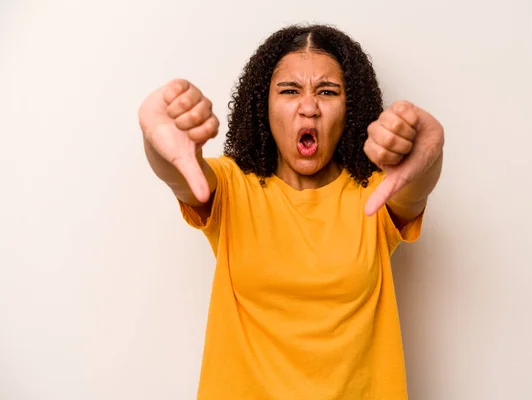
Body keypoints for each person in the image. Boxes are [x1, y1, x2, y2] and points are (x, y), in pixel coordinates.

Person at [139, 24, 444, 400]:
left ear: (351, 107)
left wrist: (431, 148)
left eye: (328, 92)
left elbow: (417, 184)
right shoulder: (234, 186)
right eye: (289, 91)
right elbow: (179, 173)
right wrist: (154, 136)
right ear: (263, 105)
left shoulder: (375, 193)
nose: (309, 107)